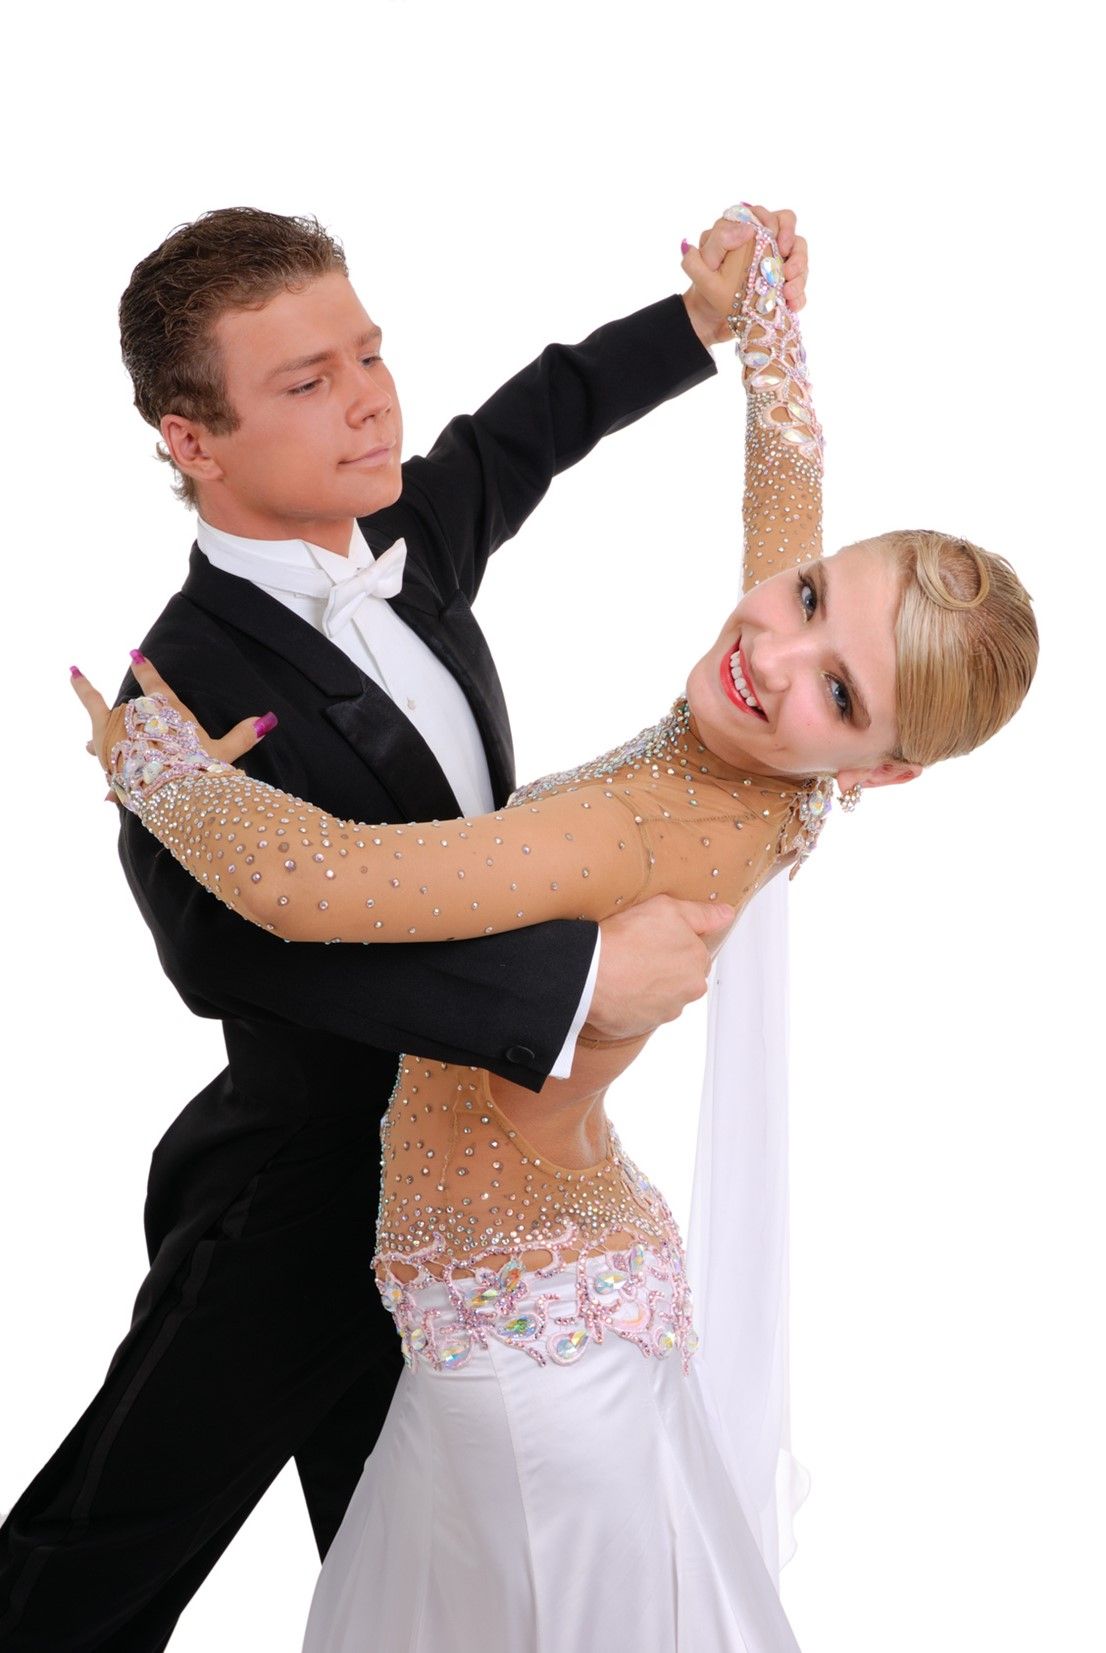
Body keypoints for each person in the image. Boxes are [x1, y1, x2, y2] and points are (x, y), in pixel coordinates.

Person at [75, 211, 1038, 1651]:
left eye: (837, 690)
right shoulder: (782, 758)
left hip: (500, 1307)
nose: (772, 654)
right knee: (157, 1542)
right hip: (406, 1213)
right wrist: (741, 326)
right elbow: (656, 460)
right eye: (806, 598)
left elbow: (311, 883)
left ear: (879, 765)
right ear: (190, 439)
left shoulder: (624, 829)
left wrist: (149, 769)